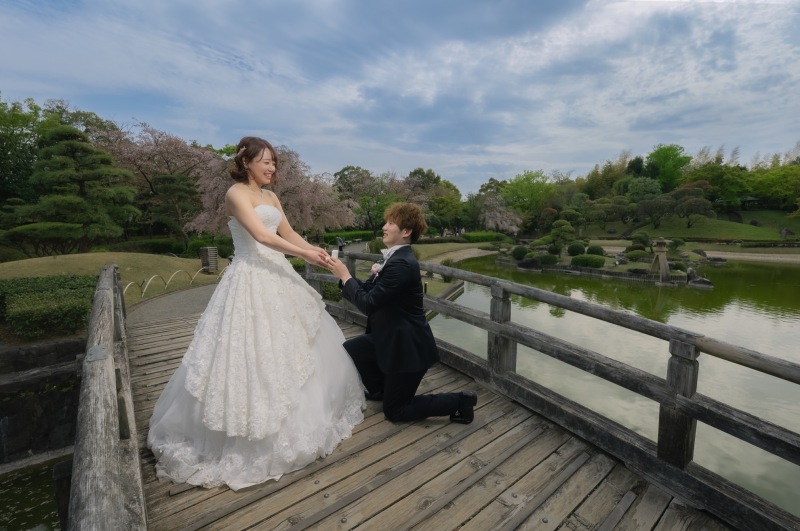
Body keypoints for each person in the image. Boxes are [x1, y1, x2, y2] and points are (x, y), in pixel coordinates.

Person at [147, 136, 365, 491]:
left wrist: (316, 251)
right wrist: (304, 256)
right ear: (245, 161)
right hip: (250, 276)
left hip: (279, 274)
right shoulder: (236, 194)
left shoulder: (272, 196)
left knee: (297, 344)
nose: (271, 167)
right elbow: (262, 237)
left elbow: (288, 231)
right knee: (248, 352)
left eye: (274, 162)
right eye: (265, 161)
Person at [328, 202, 477, 424]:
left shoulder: (402, 264)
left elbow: (368, 304)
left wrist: (346, 276)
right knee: (352, 349)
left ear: (406, 232)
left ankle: (460, 401)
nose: (384, 227)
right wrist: (343, 276)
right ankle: (380, 389)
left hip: (408, 349)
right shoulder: (391, 259)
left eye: (390, 223)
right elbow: (369, 291)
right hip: (389, 337)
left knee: (396, 412)